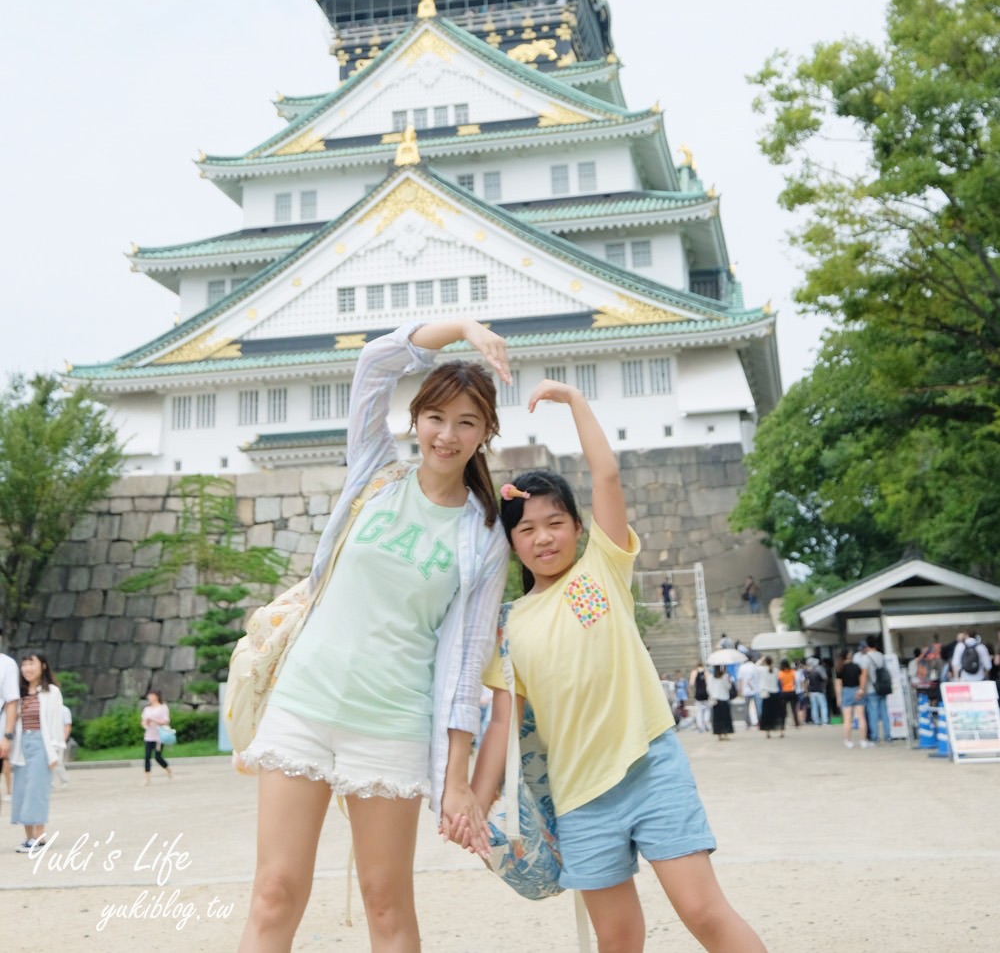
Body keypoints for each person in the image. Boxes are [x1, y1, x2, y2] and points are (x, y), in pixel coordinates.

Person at [236, 318, 511, 953]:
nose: (447, 434)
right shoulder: (375, 473)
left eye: (467, 422)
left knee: (386, 905)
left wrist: (459, 777)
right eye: (436, 417)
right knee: (275, 890)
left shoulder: (482, 537)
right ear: (416, 420)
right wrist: (463, 327)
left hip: (391, 725)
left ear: (485, 434)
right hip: (304, 703)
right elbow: (374, 364)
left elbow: (468, 661)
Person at [468, 378, 768, 953]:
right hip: (579, 796)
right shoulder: (509, 626)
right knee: (619, 938)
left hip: (650, 766)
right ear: (511, 546)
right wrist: (476, 807)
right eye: (525, 529)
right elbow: (502, 722)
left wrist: (576, 403)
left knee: (704, 912)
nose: (543, 537)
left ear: (579, 529)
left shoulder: (599, 573)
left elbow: (605, 476)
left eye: (555, 522)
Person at [11, 652, 64, 851]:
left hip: (42, 744)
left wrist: (56, 752)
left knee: (37, 791)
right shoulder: (19, 694)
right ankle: (28, 837)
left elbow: (56, 723)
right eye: (24, 664)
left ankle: (40, 838)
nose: (27, 668)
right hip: (21, 745)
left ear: (42, 666)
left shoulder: (51, 692)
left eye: (31, 663)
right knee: (22, 791)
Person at [858, 636, 891, 744]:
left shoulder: (865, 658)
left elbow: (864, 675)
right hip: (883, 688)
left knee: (873, 713)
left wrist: (861, 689)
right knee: (885, 712)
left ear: (867, 645)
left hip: (872, 689)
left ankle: (875, 736)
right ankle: (888, 736)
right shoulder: (881, 656)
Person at [835, 649, 871, 749]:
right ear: (848, 655)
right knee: (861, 717)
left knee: (847, 719)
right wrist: (861, 690)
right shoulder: (856, 666)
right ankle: (863, 741)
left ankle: (848, 741)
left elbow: (838, 685)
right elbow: (862, 679)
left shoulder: (839, 668)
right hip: (857, 691)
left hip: (846, 692)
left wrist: (839, 698)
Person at [0, 625, 18, 801]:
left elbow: (12, 701)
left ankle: (9, 790)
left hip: (1, 725)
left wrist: (7, 735)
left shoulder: (7, 664)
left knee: (5, 761)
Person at [140, 689, 173, 784]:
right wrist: (145, 724)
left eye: (151, 695)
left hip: (159, 736)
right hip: (149, 735)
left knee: (158, 757)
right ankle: (147, 778)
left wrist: (154, 720)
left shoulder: (163, 707)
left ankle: (167, 769)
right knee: (147, 756)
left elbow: (166, 721)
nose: (149, 697)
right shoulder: (147, 709)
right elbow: (143, 721)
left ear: (156, 696)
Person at [757, 657, 782, 739]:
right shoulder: (776, 670)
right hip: (775, 693)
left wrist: (761, 660)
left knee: (767, 714)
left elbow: (755, 666)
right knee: (777, 713)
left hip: (766, 694)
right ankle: (781, 730)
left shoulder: (762, 670)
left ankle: (768, 732)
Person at [708, 666, 734, 743]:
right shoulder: (725, 676)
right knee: (725, 718)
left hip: (716, 700)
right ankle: (726, 733)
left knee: (717, 719)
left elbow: (709, 688)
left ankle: (719, 734)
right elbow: (728, 687)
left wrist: (712, 695)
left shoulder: (711, 677)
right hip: (724, 698)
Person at [737, 654, 761, 729]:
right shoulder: (754, 667)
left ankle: (748, 723)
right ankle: (760, 722)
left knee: (746, 707)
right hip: (755, 689)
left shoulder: (741, 668)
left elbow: (740, 680)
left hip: (745, 690)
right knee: (758, 707)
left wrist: (740, 690)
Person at [806, 658, 829, 727]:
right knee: (823, 706)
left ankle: (816, 721)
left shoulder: (808, 671)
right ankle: (824, 721)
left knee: (814, 706)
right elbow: (825, 678)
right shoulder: (819, 669)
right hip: (820, 690)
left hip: (812, 691)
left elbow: (807, 682)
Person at [776, 659, 799, 729]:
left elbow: (779, 683)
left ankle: (782, 725)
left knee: (783, 710)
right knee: (794, 709)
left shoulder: (780, 673)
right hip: (792, 691)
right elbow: (795, 681)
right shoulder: (792, 672)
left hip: (784, 693)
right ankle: (797, 723)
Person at [689, 663, 712, 733]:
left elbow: (691, 683)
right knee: (707, 710)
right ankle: (706, 722)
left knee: (699, 711)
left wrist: (691, 692)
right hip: (705, 694)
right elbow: (709, 683)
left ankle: (700, 726)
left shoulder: (694, 672)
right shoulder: (706, 672)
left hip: (698, 694)